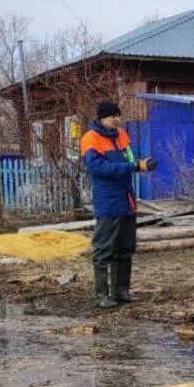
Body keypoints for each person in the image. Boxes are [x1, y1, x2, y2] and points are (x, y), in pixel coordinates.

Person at [80, 100, 156, 309]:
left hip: (126, 198)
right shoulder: (90, 139)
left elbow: (129, 158)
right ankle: (102, 295)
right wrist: (132, 166)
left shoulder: (122, 135)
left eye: (118, 115)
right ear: (102, 118)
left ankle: (121, 290)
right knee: (104, 249)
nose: (116, 119)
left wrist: (141, 164)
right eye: (112, 116)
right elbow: (99, 169)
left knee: (125, 247)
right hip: (108, 200)